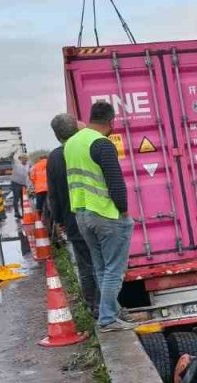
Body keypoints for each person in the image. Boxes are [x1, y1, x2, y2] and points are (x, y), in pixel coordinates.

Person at [65, 101, 134, 332]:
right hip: (105, 214)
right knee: (114, 268)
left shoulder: (72, 143)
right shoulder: (102, 144)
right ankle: (107, 319)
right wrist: (123, 210)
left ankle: (108, 314)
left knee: (101, 267)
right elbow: (116, 182)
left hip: (82, 214)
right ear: (111, 121)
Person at [44, 114, 99, 314]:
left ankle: (93, 306)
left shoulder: (55, 157)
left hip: (72, 218)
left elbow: (54, 195)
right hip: (97, 213)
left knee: (85, 264)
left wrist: (58, 220)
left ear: (57, 136)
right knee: (102, 263)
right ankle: (107, 305)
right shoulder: (87, 147)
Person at [30, 154, 50, 230]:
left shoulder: (35, 166)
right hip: (49, 188)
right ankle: (52, 217)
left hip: (39, 189)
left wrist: (35, 183)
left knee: (39, 204)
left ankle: (38, 218)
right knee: (50, 202)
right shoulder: (49, 164)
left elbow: (32, 177)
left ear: (39, 159)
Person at [10, 153, 30, 219]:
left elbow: (28, 175)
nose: (25, 160)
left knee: (23, 199)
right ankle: (16, 212)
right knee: (16, 198)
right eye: (24, 159)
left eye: (26, 159)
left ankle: (24, 213)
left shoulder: (28, 165)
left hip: (23, 184)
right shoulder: (17, 164)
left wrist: (28, 185)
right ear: (21, 159)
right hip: (15, 183)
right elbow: (13, 160)